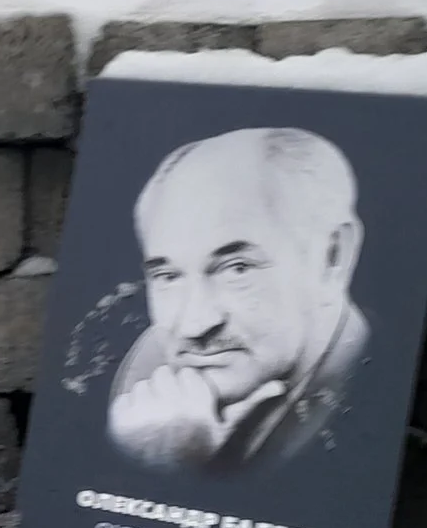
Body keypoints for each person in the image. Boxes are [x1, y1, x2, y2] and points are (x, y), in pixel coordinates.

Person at [106, 126, 368, 475]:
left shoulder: (370, 397)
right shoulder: (139, 375)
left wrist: (174, 470)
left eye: (237, 269)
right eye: (168, 276)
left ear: (332, 258)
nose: (195, 325)